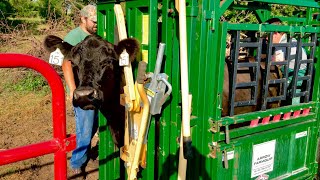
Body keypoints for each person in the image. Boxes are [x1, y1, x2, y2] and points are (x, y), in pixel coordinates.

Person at [62, 4, 98, 174]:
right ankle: (77, 164)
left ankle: (85, 153)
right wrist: (72, 89)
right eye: (93, 21)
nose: (97, 24)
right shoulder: (74, 37)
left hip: (96, 89)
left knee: (95, 125)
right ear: (83, 19)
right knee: (84, 128)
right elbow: (66, 64)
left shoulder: (97, 35)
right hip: (82, 91)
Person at [266, 18, 308, 105]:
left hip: (294, 74)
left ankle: (293, 110)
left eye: (267, 35)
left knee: (292, 97)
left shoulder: (286, 43)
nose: (266, 38)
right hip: (292, 72)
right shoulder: (286, 41)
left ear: (275, 33)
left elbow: (277, 62)